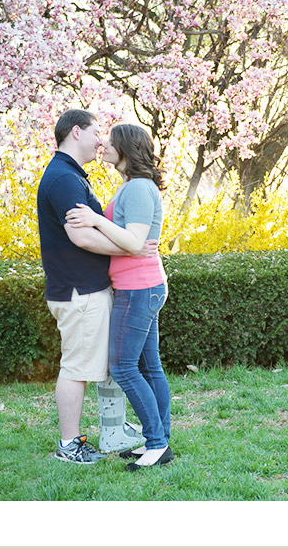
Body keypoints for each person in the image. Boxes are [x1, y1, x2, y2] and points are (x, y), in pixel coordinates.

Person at [37, 109, 153, 464]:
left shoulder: (70, 175)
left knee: (106, 363)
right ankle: (69, 445)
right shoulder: (63, 178)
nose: (101, 140)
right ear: (76, 132)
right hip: (79, 291)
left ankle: (113, 430)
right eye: (95, 132)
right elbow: (82, 237)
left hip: (88, 288)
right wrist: (131, 248)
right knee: (76, 368)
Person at [66, 123, 173, 469]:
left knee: (124, 368)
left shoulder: (139, 187)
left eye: (110, 142)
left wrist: (95, 220)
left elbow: (134, 241)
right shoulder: (131, 185)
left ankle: (156, 443)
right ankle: (160, 440)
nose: (103, 145)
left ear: (126, 148)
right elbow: (130, 240)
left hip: (139, 288)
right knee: (148, 367)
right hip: (138, 286)